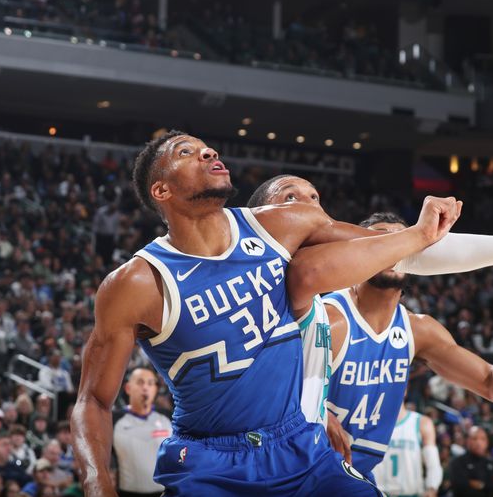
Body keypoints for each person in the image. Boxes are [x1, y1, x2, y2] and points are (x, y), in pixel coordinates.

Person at [73, 130, 464, 495]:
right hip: (210, 460)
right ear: (162, 190)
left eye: (207, 147)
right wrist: (98, 483)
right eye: (186, 152)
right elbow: (93, 401)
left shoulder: (278, 225)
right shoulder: (137, 283)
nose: (209, 152)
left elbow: (406, 251)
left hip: (298, 445)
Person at [246, 175, 493, 433]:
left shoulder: (415, 329)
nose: (312, 207)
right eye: (292, 197)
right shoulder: (325, 310)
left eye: (315, 198)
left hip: (330, 468)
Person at [321, 213, 493, 481]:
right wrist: (318, 411)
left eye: (399, 241)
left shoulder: (418, 330)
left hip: (354, 471)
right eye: (380, 239)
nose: (391, 248)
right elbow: (268, 385)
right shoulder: (331, 317)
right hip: (306, 463)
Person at [113, 368, 172, 497]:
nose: (145, 387)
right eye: (140, 382)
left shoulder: (168, 417)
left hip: (165, 493)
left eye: (151, 383)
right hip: (127, 493)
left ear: (155, 389)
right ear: (128, 388)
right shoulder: (114, 419)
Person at [371, 401, 441, 497]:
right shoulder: (367, 423)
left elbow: (433, 464)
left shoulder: (421, 422)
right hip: (378, 493)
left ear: (405, 389)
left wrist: (432, 487)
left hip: (412, 493)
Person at [448, 426, 493, 496]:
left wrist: (482, 485)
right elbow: (461, 489)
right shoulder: (457, 462)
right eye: (475, 439)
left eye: (483, 439)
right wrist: (491, 487)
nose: (479, 443)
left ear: (487, 443)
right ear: (468, 441)